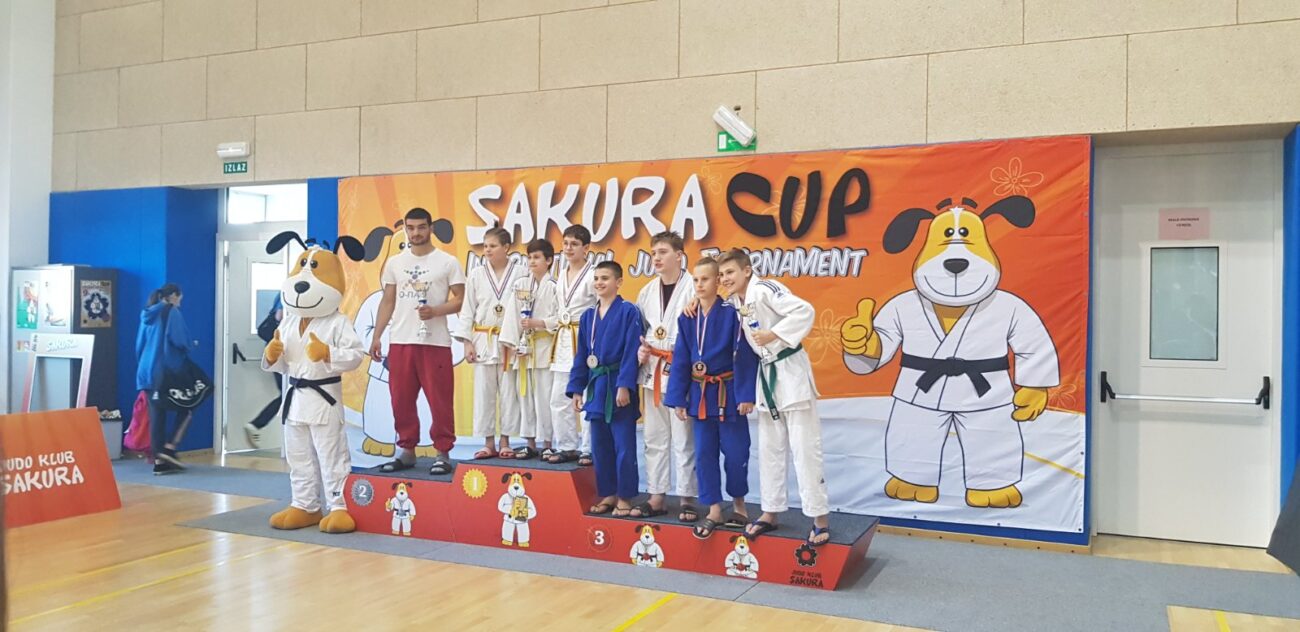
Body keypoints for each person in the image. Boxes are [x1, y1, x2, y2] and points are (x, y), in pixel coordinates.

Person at [717, 248, 832, 547]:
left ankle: (819, 518)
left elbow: (804, 310)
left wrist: (775, 334)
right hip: (766, 375)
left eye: (730, 272)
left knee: (805, 448)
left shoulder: (766, 289)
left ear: (746, 271)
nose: (725, 278)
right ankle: (770, 511)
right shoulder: (735, 302)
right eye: (722, 274)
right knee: (770, 449)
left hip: (791, 373)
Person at [369, 208, 466, 476]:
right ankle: (407, 450)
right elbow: (388, 301)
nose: (416, 233)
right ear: (405, 230)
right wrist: (377, 336)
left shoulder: (447, 262)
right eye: (410, 228)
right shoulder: (395, 263)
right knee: (401, 400)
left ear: (431, 228)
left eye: (421, 227)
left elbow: (461, 299)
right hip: (400, 341)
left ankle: (443, 452)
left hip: (436, 343)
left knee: (440, 400)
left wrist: (436, 311)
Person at [666, 256, 757, 539]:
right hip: (700, 396)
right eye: (695, 279)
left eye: (705, 279)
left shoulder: (733, 314)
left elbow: (745, 355)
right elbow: (681, 359)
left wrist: (745, 394)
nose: (699, 284)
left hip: (728, 393)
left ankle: (739, 506)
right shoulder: (687, 317)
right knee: (704, 454)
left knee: (736, 453)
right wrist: (678, 397)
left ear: (718, 281)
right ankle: (714, 509)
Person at [566, 261, 642, 517]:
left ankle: (625, 497)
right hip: (596, 386)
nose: (599, 282)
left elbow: (632, 351)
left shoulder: (629, 311)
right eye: (596, 278)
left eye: (605, 278)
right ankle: (608, 493)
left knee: (624, 447)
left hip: (618, 385)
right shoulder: (588, 316)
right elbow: (582, 355)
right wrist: (577, 388)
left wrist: (625, 385)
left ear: (618, 282)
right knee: (600, 446)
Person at [633, 230, 699, 521]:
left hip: (681, 371)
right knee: (654, 436)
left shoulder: (694, 288)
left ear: (679, 255)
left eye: (662, 252)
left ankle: (687, 498)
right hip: (652, 371)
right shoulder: (646, 291)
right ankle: (657, 495)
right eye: (653, 253)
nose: (656, 258)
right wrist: (639, 352)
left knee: (684, 437)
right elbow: (640, 332)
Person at [454, 227, 525, 459]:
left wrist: (522, 340)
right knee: (484, 393)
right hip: (483, 339)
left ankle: (506, 441)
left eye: (492, 246)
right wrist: (467, 342)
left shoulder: (521, 273)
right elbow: (468, 310)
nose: (487, 250)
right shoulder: (476, 274)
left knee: (509, 393)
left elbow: (526, 308)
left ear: (506, 247)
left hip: (509, 341)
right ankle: (487, 442)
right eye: (485, 246)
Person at [499, 238, 559, 460]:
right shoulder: (521, 285)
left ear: (549, 260)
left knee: (545, 398)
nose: (532, 262)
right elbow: (512, 316)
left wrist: (539, 323)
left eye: (537, 257)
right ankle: (530, 443)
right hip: (524, 351)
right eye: (529, 257)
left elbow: (561, 318)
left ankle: (548, 443)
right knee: (525, 398)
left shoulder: (555, 287)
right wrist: (514, 344)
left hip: (544, 348)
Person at [545, 225, 597, 465]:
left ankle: (588, 447)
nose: (568, 248)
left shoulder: (593, 274)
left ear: (586, 248)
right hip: (563, 338)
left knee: (586, 396)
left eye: (574, 244)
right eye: (565, 243)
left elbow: (600, 307)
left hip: (585, 339)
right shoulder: (561, 275)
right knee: (558, 397)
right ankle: (566, 446)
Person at [135, 283, 195, 475]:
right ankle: (170, 448)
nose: (180, 303)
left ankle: (159, 461)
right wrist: (191, 344)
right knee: (187, 407)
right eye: (180, 299)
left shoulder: (146, 314)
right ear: (174, 296)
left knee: (157, 416)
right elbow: (179, 340)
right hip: (165, 370)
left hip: (145, 371)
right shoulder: (171, 312)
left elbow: (139, 345)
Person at [245, 294, 283, 448]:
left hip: (273, 351)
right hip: (279, 351)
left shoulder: (282, 293)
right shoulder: (288, 295)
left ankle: (256, 424)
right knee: (288, 394)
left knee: (287, 395)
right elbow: (279, 316)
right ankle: (256, 424)